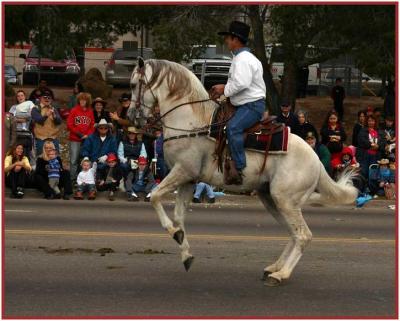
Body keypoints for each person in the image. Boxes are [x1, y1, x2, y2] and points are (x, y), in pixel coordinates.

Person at [211, 21, 266, 185]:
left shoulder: (243, 59)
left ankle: (240, 168)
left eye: (228, 38)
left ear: (235, 39)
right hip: (244, 104)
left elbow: (242, 83)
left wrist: (224, 90)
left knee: (233, 127)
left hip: (252, 106)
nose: (226, 41)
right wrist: (225, 88)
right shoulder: (242, 58)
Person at [66, 92, 95, 181]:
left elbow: (92, 125)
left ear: (87, 101)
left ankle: (83, 179)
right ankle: (73, 178)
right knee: (74, 160)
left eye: (84, 100)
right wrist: (80, 134)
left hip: (86, 139)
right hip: (75, 139)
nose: (82, 101)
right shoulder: (74, 110)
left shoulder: (90, 111)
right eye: (81, 100)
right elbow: (69, 124)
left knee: (83, 160)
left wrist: (88, 135)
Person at [31, 89, 62, 156]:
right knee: (41, 159)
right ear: (40, 98)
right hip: (41, 139)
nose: (47, 99)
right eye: (45, 97)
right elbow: (39, 120)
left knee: (55, 159)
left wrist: (55, 116)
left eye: (49, 98)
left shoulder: (53, 109)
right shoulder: (35, 109)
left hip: (53, 138)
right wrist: (46, 115)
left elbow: (59, 122)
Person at [8, 90, 35, 159]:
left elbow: (30, 116)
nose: (20, 97)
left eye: (22, 95)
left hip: (26, 135)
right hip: (15, 134)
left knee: (26, 156)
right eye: (18, 96)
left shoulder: (29, 106)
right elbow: (9, 119)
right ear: (16, 98)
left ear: (25, 97)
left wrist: (16, 117)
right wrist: (21, 119)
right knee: (14, 156)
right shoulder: (13, 107)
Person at [356, 115, 385, 179]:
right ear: (367, 122)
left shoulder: (380, 131)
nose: (371, 122)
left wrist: (378, 146)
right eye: (369, 121)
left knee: (373, 173)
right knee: (364, 172)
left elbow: (383, 142)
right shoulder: (362, 130)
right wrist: (371, 145)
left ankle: (372, 187)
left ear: (375, 122)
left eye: (372, 121)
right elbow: (361, 141)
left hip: (376, 155)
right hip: (365, 154)